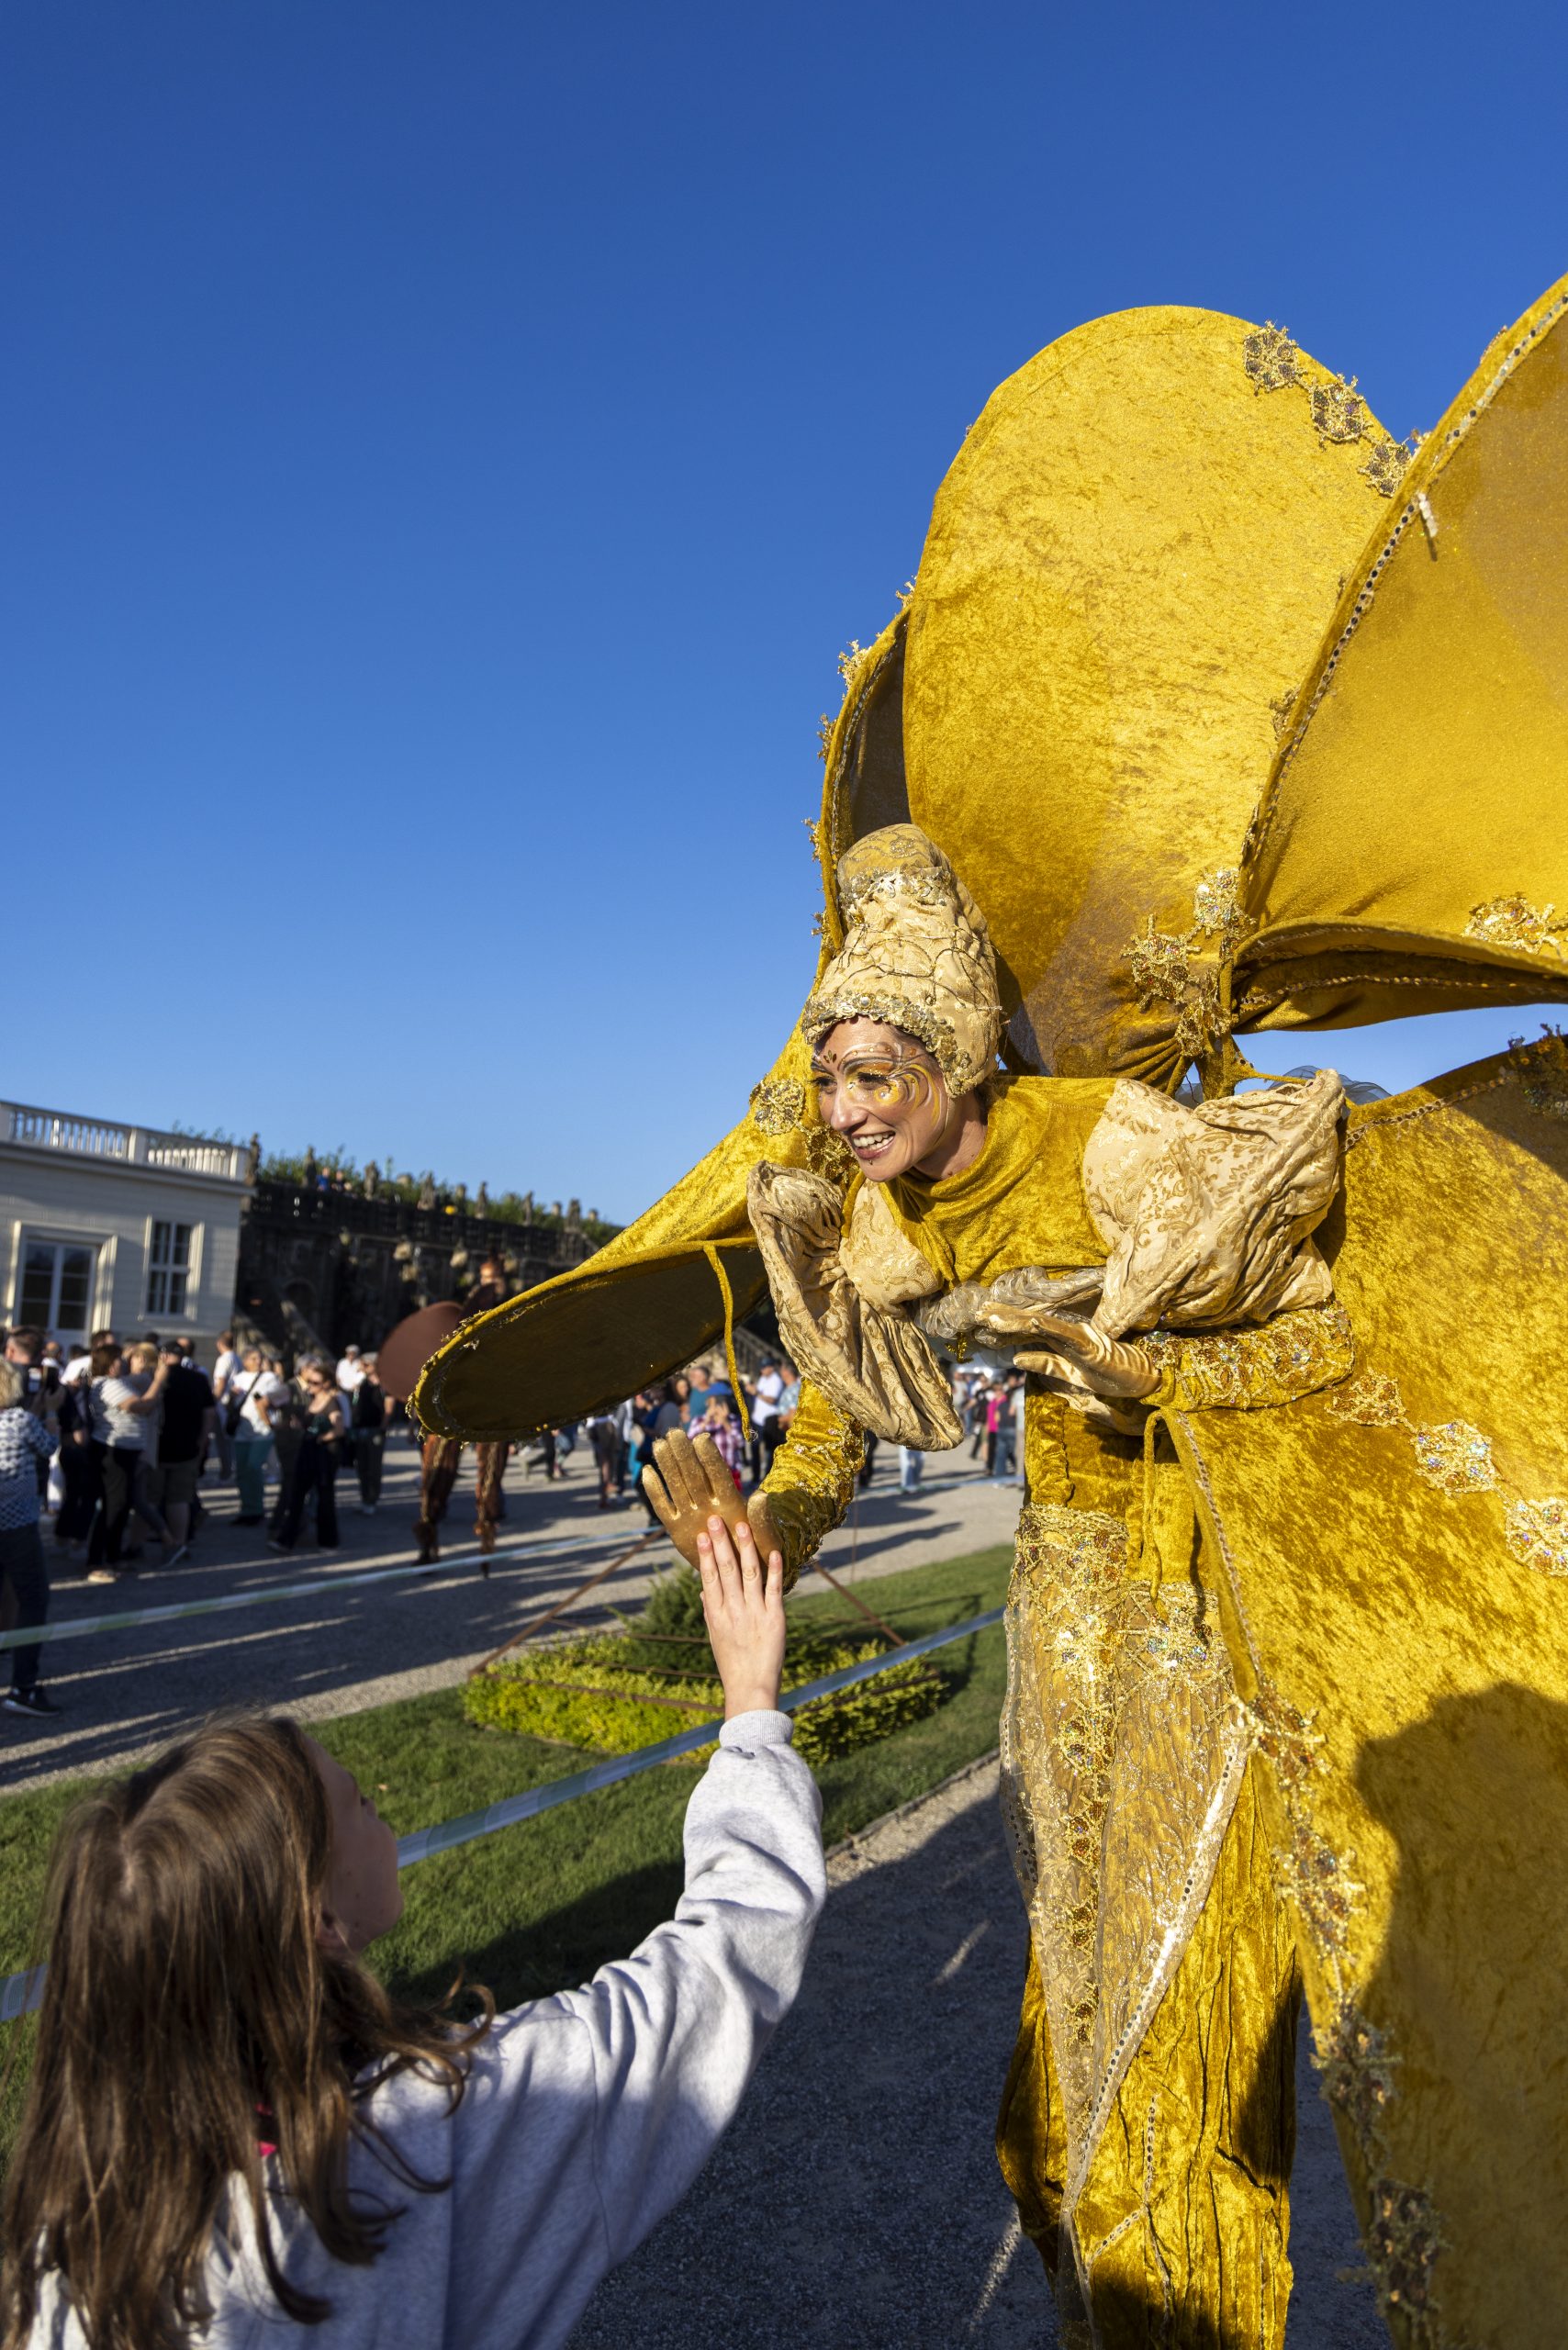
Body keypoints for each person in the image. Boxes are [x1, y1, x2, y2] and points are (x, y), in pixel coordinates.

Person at [640, 824, 1356, 2344]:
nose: (844, 1113)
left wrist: (1146, 1374)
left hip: (1192, 1602)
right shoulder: (876, 1225)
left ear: (955, 1059)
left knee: (1175, 2007)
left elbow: (1313, 1342)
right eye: (829, 1082)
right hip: (1060, 1607)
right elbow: (832, 1429)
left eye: (870, 1078)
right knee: (1068, 2015)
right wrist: (756, 1536)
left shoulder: (1108, 1141)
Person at [1, 1513, 819, 2350]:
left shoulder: (67, 2244)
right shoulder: (453, 2120)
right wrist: (751, 1708)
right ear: (319, 1920)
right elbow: (720, 1966)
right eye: (358, 1800)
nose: (375, 1808)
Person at [0, 1357, 62, 1716]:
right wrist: (50, 1412)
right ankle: (24, 1687)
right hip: (16, 1524)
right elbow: (50, 1446)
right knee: (33, 1598)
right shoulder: (19, 1421)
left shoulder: (21, 1419)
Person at [85, 1341, 174, 1579]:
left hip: (126, 1449)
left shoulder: (116, 1382)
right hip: (114, 1450)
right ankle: (97, 1560)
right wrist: (158, 1381)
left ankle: (113, 1557)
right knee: (113, 1506)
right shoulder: (108, 1384)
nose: (122, 1362)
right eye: (118, 1359)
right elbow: (139, 1406)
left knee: (121, 1505)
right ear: (108, 1363)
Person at [145, 1340, 217, 1566]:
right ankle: (179, 1542)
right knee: (180, 1498)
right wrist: (203, 1439)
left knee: (150, 1497)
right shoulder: (198, 1378)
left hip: (157, 1445)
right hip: (188, 1445)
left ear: (163, 1356)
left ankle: (142, 1541)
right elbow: (209, 1413)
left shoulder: (155, 1378)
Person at [270, 1359, 344, 1553]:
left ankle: (328, 1542)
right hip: (307, 1451)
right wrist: (297, 1426)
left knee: (325, 1497)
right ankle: (286, 1540)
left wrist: (321, 1438)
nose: (311, 1385)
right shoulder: (313, 1400)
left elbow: (339, 1429)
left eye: (316, 1382)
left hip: (324, 1454)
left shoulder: (332, 1402)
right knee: (296, 1494)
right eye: (309, 1381)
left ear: (326, 1384)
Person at [229, 1346, 287, 1524]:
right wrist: (231, 1396)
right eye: (253, 1358)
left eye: (260, 1358)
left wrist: (265, 1402)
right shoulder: (237, 1378)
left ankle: (256, 1509)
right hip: (242, 1431)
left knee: (253, 1468)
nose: (258, 1361)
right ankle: (246, 1508)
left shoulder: (269, 1378)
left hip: (262, 1431)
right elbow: (228, 1403)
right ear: (245, 1361)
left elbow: (277, 1398)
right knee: (241, 1471)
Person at [351, 1354, 386, 1514]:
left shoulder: (383, 1384)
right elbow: (356, 1404)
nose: (362, 1368)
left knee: (374, 1466)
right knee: (362, 1466)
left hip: (375, 1429)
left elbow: (389, 1408)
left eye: (365, 1365)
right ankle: (365, 1498)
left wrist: (382, 1428)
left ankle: (372, 1498)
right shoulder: (363, 1383)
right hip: (361, 1428)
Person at [210, 1328, 241, 1481]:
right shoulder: (237, 1358)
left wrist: (212, 1401)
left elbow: (221, 1383)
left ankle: (226, 1471)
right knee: (230, 1439)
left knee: (223, 1440)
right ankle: (232, 1468)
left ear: (219, 1343)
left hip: (223, 1405)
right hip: (233, 1403)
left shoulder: (223, 1360)